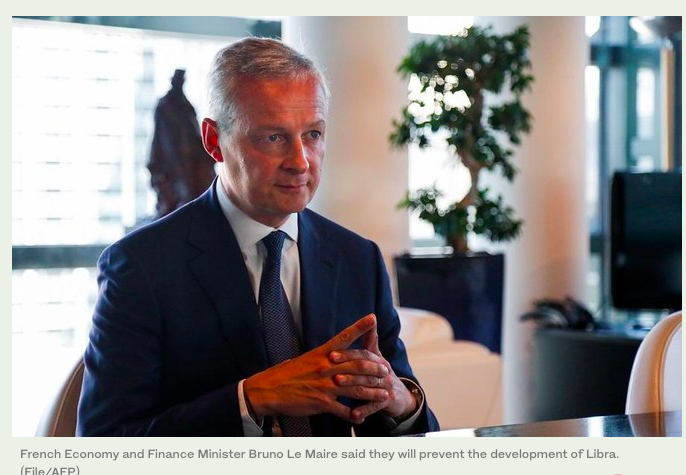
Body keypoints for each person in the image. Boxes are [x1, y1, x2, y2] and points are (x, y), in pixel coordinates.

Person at [77, 38, 439, 437]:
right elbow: (103, 441)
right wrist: (250, 399)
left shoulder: (357, 258)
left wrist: (401, 404)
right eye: (273, 137)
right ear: (214, 141)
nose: (300, 161)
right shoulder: (141, 266)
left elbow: (407, 433)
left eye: (313, 134)